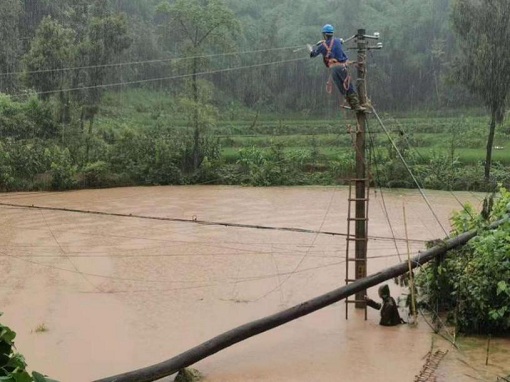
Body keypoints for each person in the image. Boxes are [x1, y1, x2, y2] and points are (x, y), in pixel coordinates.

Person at [309, 24, 365, 111]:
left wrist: (311, 49)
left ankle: (352, 105)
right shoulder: (338, 41)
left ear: (324, 34)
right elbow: (340, 41)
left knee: (342, 88)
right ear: (332, 33)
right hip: (341, 67)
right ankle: (356, 105)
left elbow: (313, 54)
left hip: (333, 69)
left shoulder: (321, 46)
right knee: (348, 85)